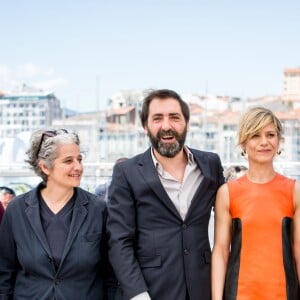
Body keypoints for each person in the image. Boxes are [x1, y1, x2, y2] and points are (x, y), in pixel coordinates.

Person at [107, 89, 224, 300]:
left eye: (174, 117)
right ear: (145, 126)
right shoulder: (127, 173)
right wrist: (138, 294)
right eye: (157, 118)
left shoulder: (211, 164)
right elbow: (119, 240)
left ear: (186, 123)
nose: (167, 126)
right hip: (150, 291)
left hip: (203, 288)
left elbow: (230, 217)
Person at [0, 128, 116, 299]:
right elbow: (5, 272)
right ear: (45, 167)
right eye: (68, 161)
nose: (78, 167)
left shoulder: (98, 209)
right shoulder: (17, 209)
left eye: (79, 159)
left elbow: (111, 274)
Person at [211, 107, 300, 300]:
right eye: (255, 136)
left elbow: (299, 251)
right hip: (239, 294)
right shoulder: (227, 193)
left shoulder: (295, 190)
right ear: (243, 143)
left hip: (285, 294)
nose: (264, 142)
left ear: (279, 142)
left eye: (270, 135)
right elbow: (220, 251)